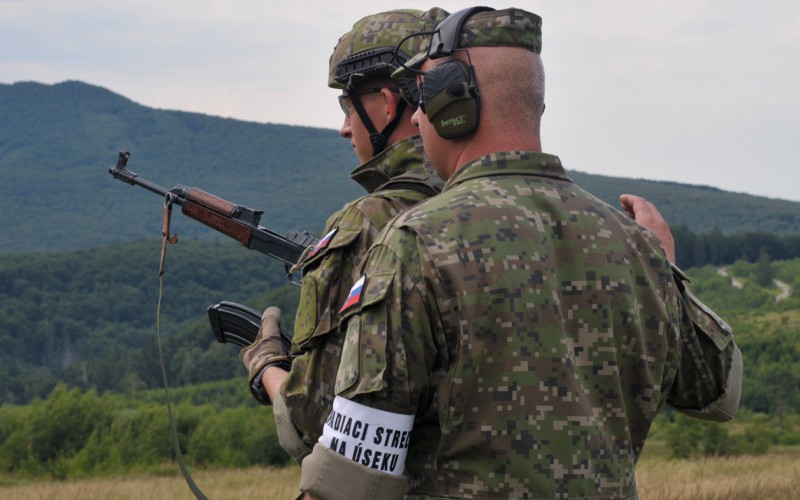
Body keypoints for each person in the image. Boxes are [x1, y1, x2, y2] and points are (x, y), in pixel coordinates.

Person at [298, 7, 742, 499]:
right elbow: (717, 394)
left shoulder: (415, 243)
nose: (418, 116)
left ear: (453, 104)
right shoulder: (636, 244)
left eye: (422, 99)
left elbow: (349, 478)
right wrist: (666, 269)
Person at [239, 9, 449, 464]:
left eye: (348, 107)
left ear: (388, 105)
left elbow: (312, 427)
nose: (345, 127)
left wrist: (266, 365)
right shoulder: (503, 209)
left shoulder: (366, 222)